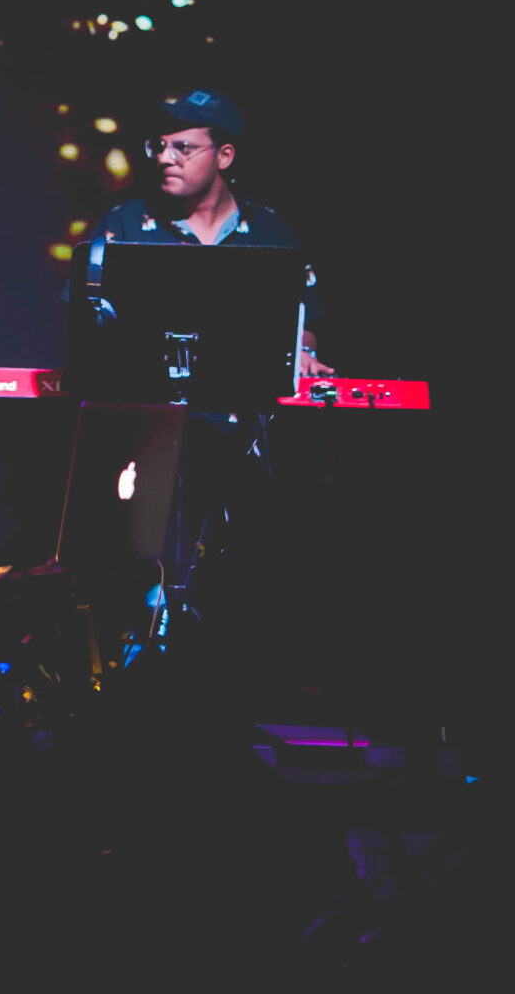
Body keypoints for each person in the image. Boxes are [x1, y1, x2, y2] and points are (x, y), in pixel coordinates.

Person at [98, 87, 324, 650]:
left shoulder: (271, 232)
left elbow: (304, 319)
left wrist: (302, 350)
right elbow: (89, 322)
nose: (164, 157)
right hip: (148, 441)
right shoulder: (126, 222)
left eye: (182, 147)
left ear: (224, 155)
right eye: (158, 146)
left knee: (243, 580)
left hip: (241, 443)